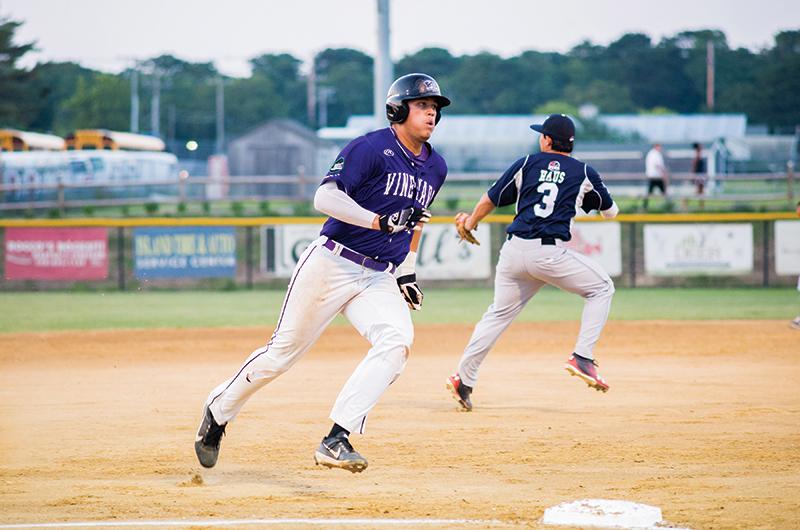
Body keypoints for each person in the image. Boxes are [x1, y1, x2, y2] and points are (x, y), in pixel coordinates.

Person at [194, 73, 451, 472]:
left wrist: (407, 271)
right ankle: (219, 409)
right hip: (333, 261)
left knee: (396, 343)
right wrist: (378, 222)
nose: (431, 112)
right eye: (422, 105)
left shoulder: (436, 167)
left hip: (378, 275)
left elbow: (417, 221)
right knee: (281, 356)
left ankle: (337, 438)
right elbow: (324, 196)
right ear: (398, 110)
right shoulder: (370, 147)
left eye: (435, 107)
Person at [446, 114, 619, 412]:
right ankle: (583, 356)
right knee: (602, 289)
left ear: (548, 140)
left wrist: (471, 222)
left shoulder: (527, 163)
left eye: (542, 134)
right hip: (549, 254)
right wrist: (585, 196)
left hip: (513, 253)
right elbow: (610, 212)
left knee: (497, 316)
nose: (540, 138)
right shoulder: (584, 172)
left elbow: (491, 198)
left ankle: (464, 378)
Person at [643, 143, 669, 210]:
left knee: (650, 192)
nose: (660, 148)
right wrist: (664, 173)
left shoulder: (651, 153)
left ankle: (644, 206)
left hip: (652, 175)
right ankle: (669, 205)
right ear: (656, 146)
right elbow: (657, 165)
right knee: (663, 191)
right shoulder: (655, 154)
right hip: (656, 176)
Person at [691, 142, 707, 209]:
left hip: (700, 174)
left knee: (701, 191)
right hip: (699, 175)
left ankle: (701, 205)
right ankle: (700, 205)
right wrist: (693, 175)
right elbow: (694, 166)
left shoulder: (699, 154)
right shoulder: (697, 155)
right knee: (699, 191)